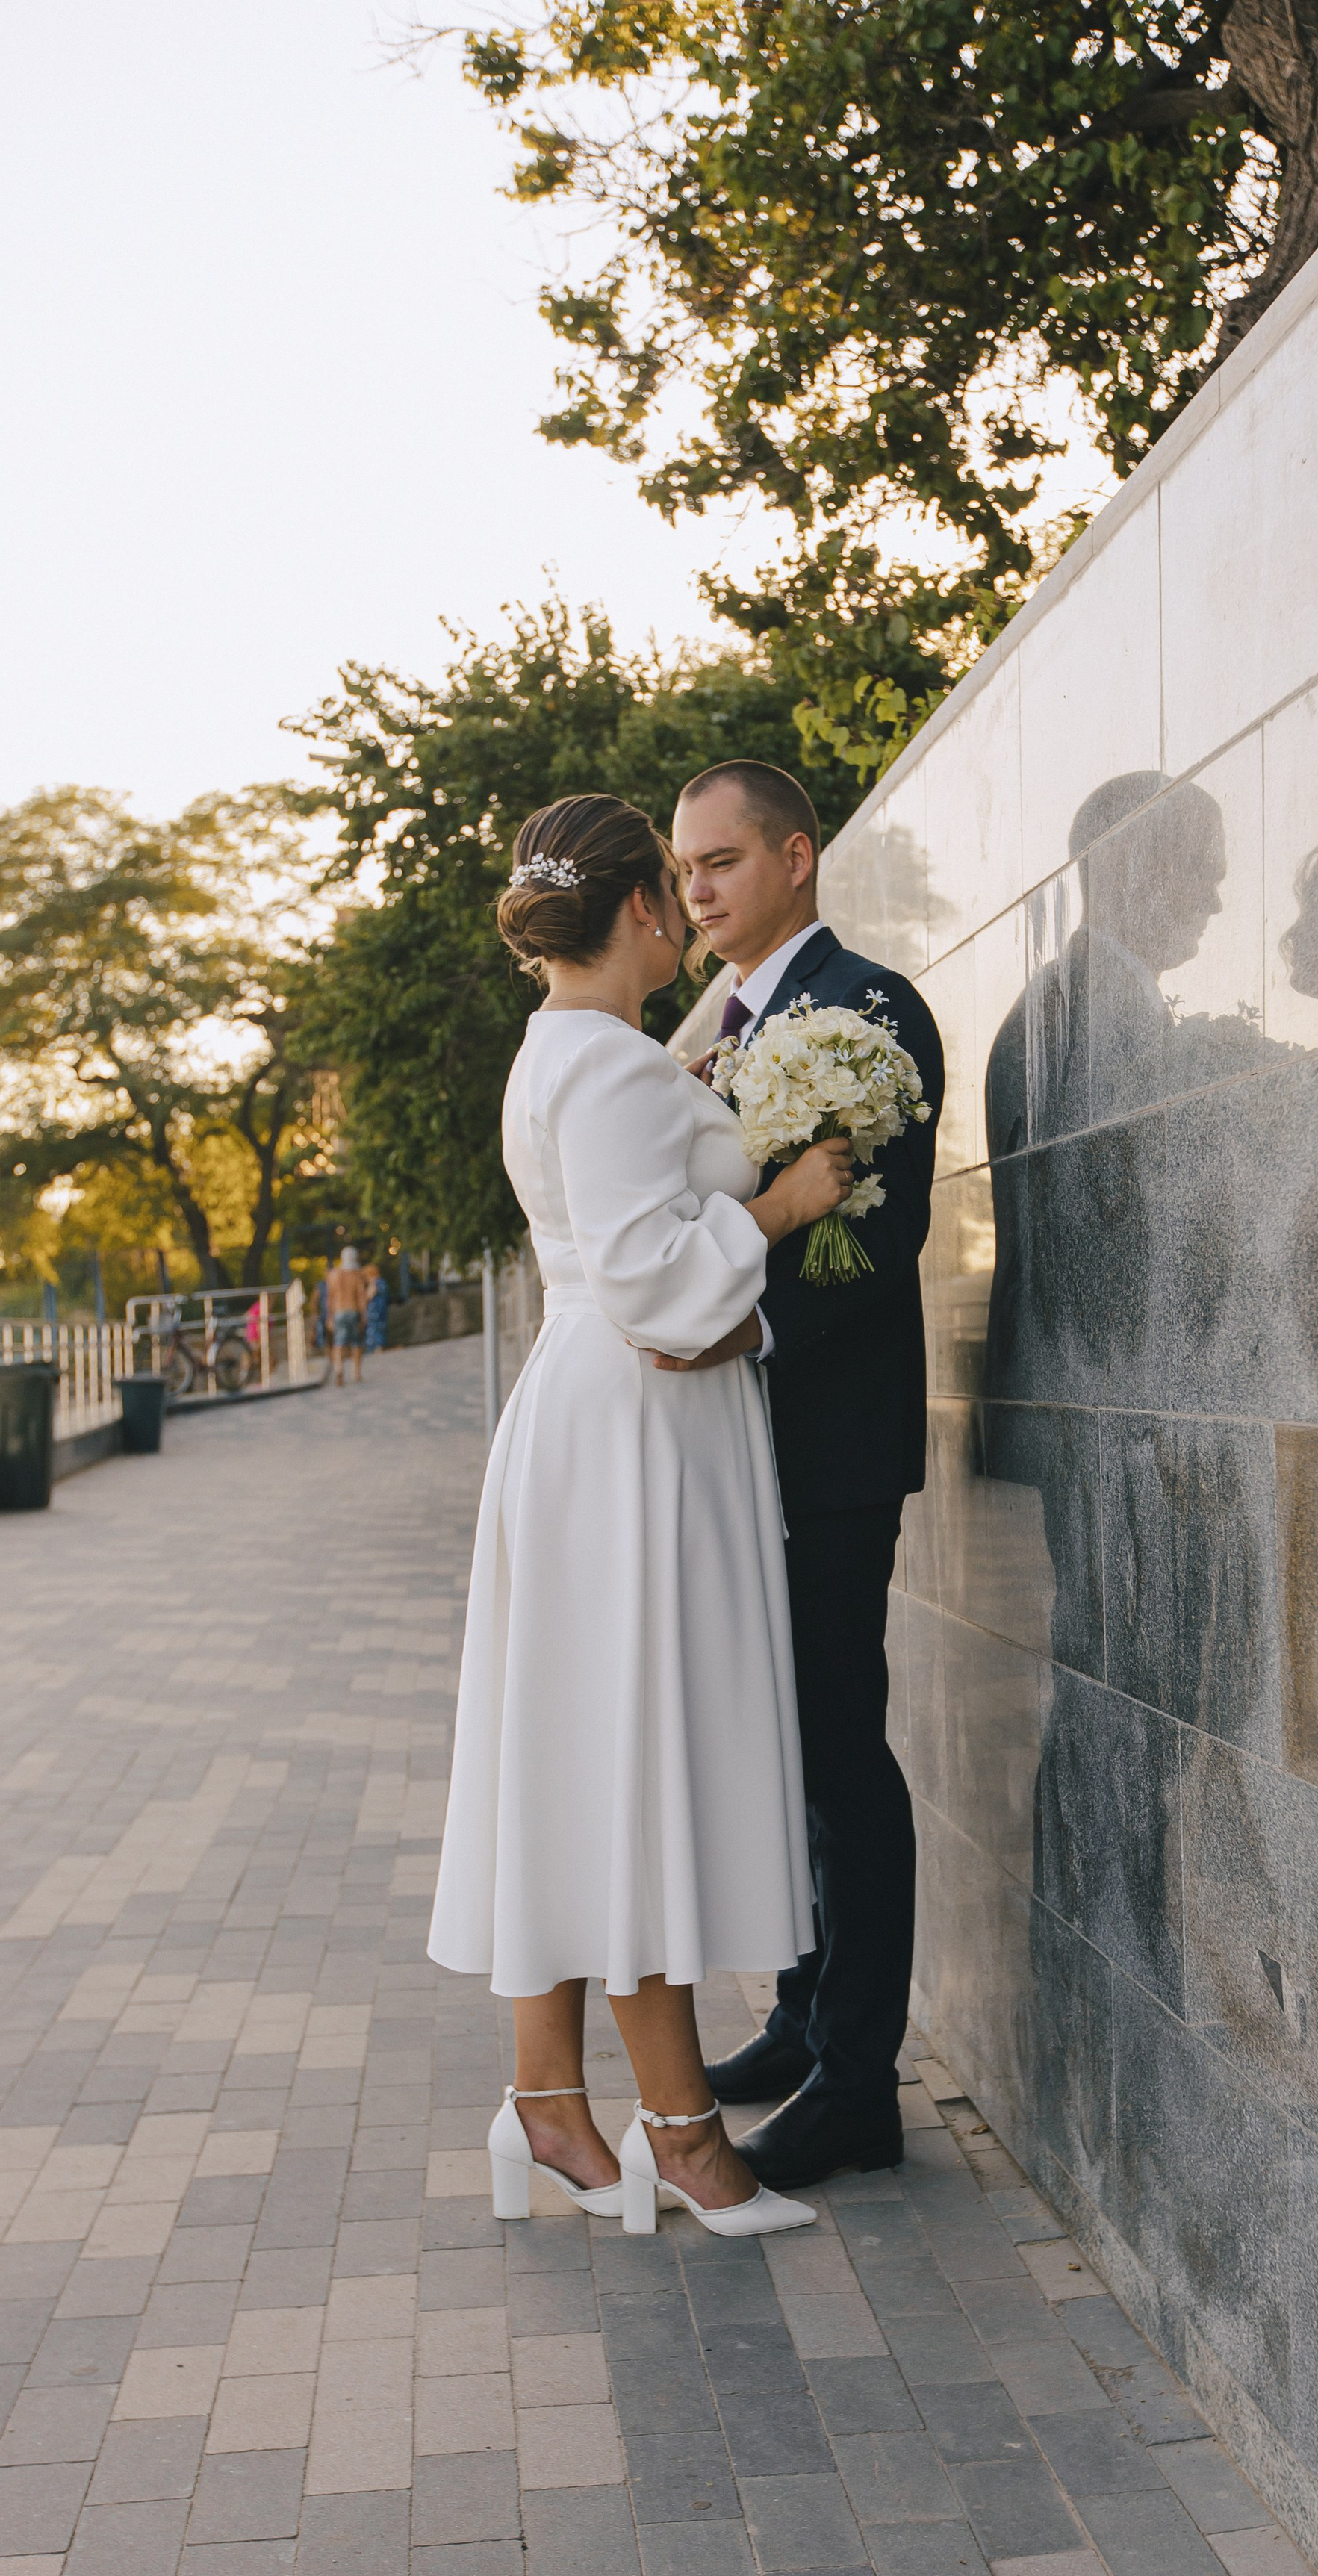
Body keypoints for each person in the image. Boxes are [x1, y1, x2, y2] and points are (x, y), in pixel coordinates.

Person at [427, 791, 856, 2238]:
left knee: (584, 1752)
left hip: (619, 1419)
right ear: (637, 912)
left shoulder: (586, 1049)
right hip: (629, 1431)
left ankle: (547, 2096)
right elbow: (651, 1284)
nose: (685, 907)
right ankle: (673, 2128)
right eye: (670, 887)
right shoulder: (603, 1065)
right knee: (628, 1758)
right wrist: (784, 1206)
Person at [669, 760, 945, 2194]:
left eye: (721, 861)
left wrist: (745, 1332)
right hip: (738, 1439)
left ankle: (859, 2085)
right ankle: (796, 2014)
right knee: (781, 1751)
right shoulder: (713, 1025)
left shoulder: (871, 1010)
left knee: (840, 1751)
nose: (697, 888)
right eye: (684, 869)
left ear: (794, 854)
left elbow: (877, 1240)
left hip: (827, 1441)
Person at [326, 1248, 368, 1385]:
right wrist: (364, 1315)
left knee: (339, 1342)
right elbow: (361, 1296)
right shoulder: (356, 1275)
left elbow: (329, 1297)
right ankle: (356, 1373)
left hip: (338, 1312)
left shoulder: (333, 1275)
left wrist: (329, 1316)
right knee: (356, 1343)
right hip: (353, 1310)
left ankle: (339, 1369)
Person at [364, 1262, 389, 1358]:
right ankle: (379, 1347)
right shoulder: (383, 1282)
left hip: (375, 1311)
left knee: (374, 1329)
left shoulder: (375, 1283)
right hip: (382, 1309)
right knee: (381, 1328)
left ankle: (377, 1348)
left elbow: (369, 1296)